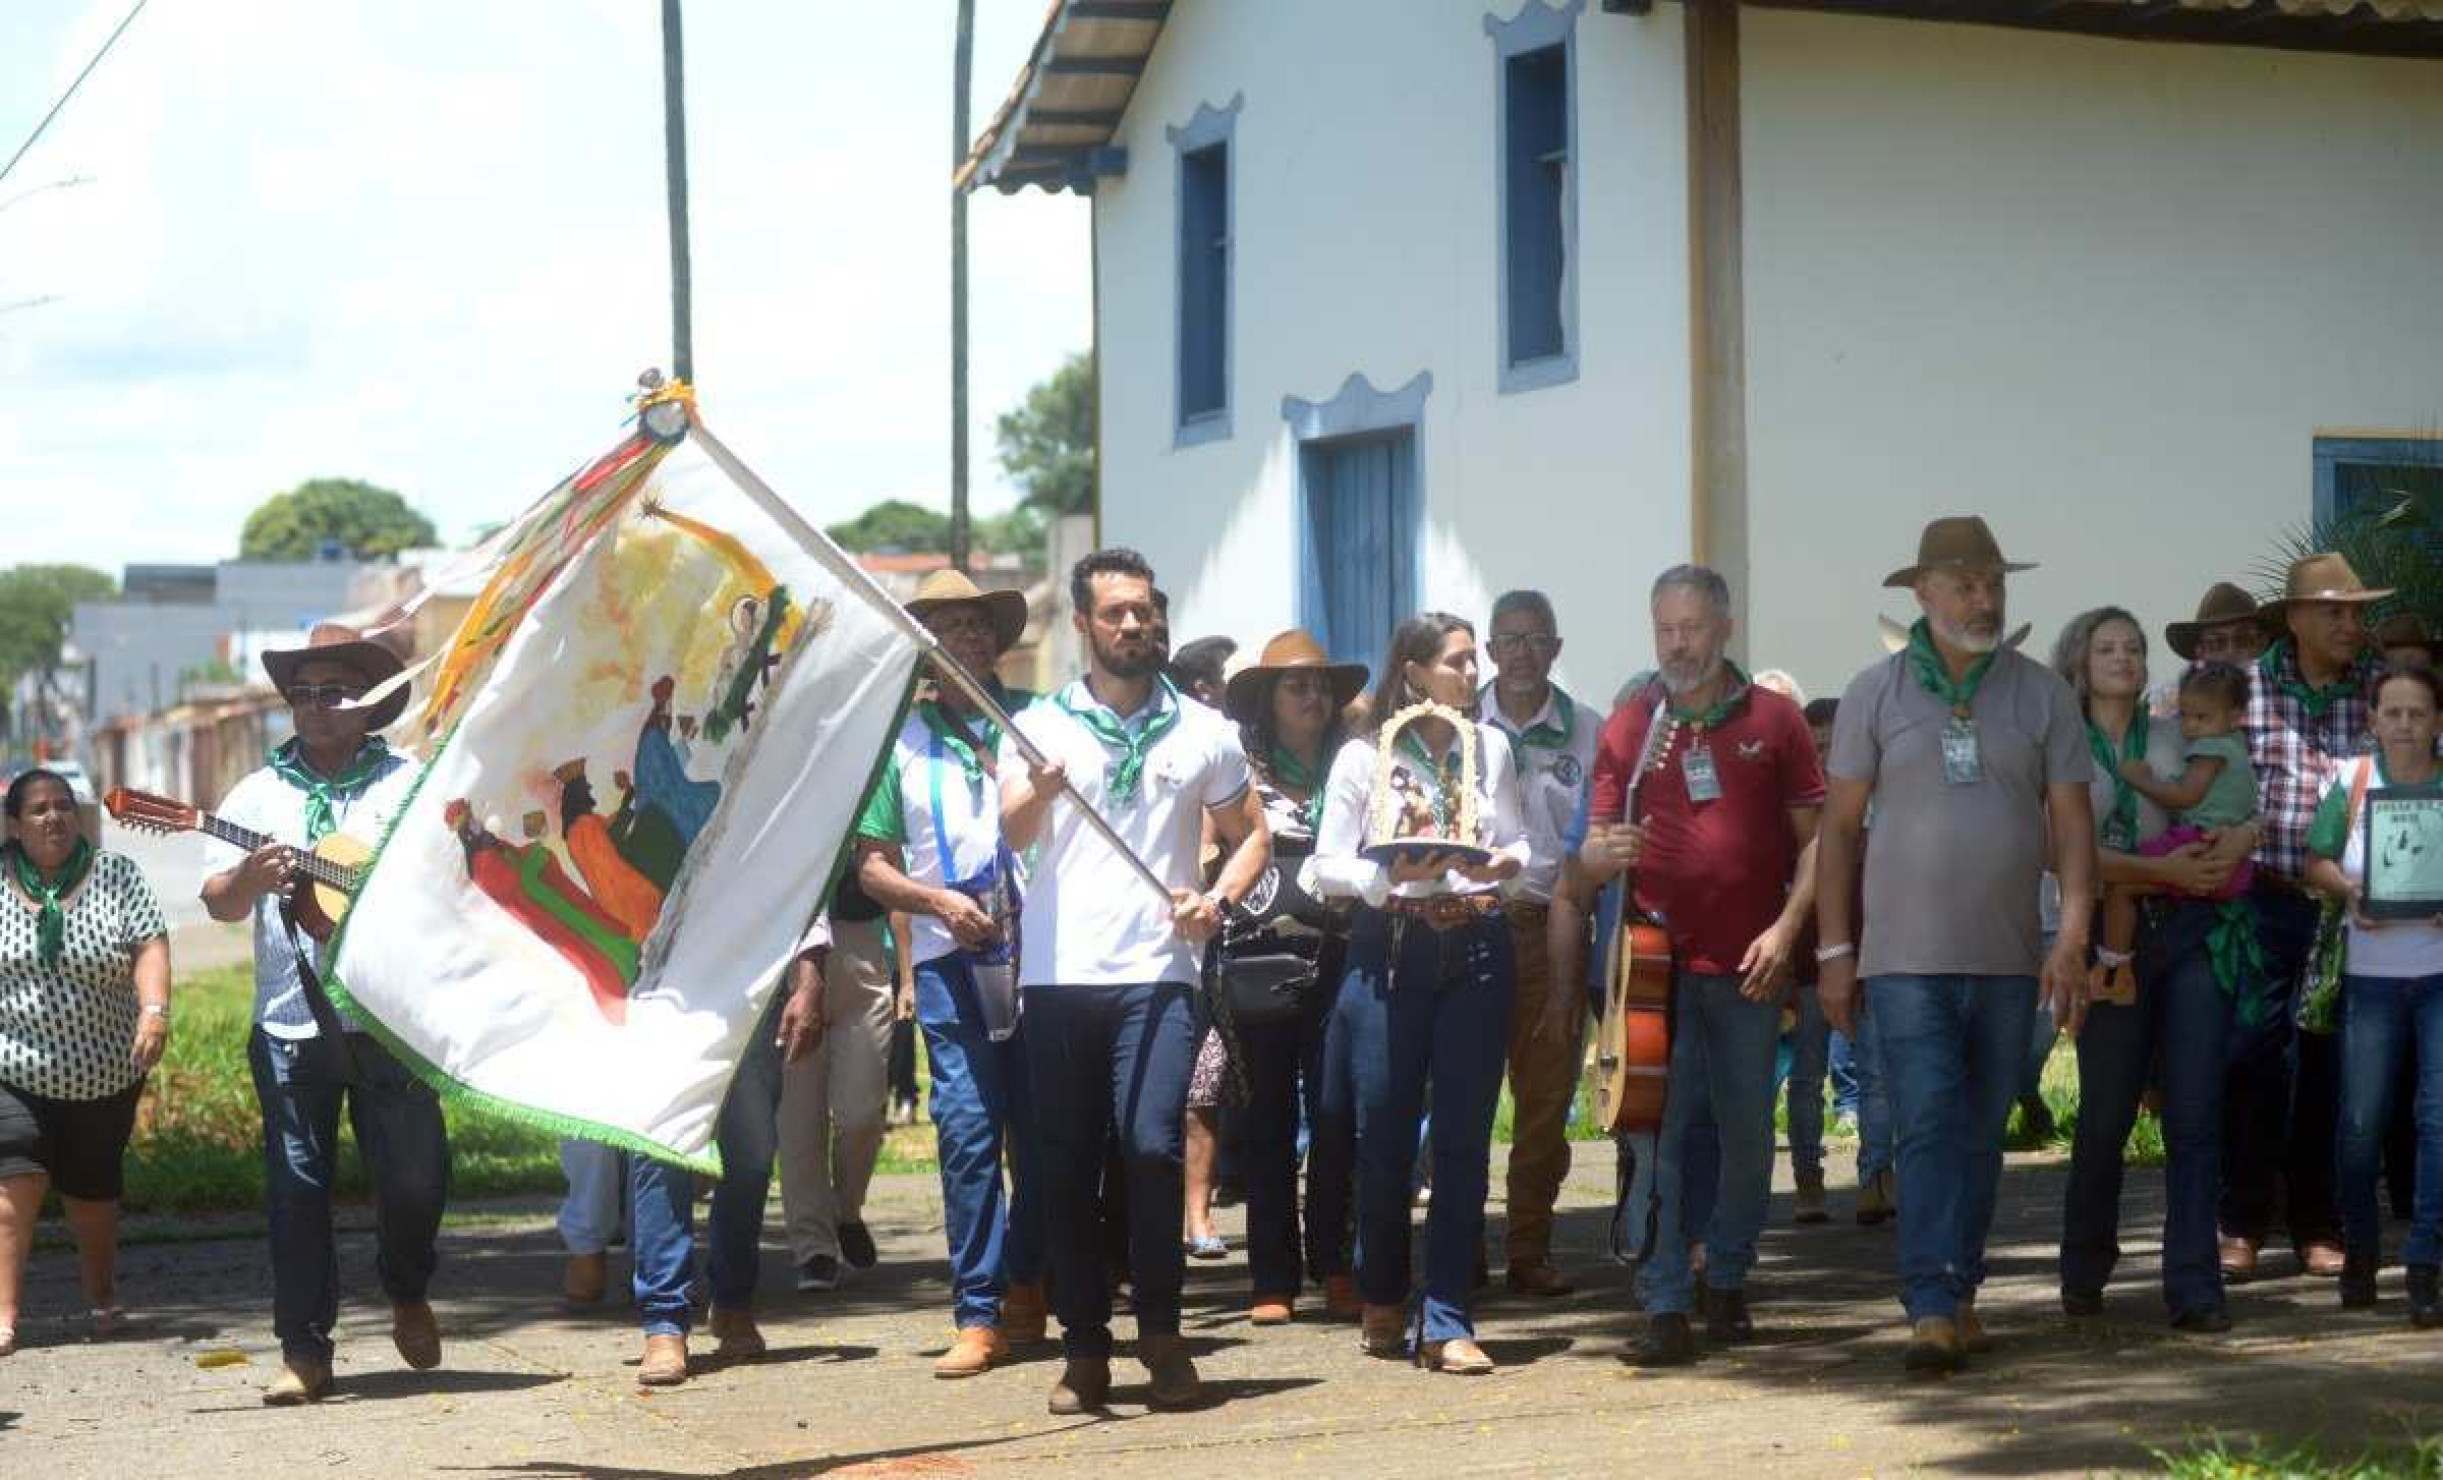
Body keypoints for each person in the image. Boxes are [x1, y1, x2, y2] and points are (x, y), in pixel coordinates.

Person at [1816, 517, 2095, 1375]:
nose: (1983, 597)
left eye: (1992, 583)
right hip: (1902, 960)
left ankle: (1961, 1289)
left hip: (2011, 954)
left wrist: (2074, 931)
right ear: (1921, 594)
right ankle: (1931, 1301)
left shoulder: (2041, 692)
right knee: (1929, 1123)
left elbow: (2073, 824)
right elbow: (1836, 829)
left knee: (1980, 1130)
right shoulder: (1875, 691)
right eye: (1965, 583)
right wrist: (1833, 951)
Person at [1000, 547, 1270, 1414]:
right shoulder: (1039, 724)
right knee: (1067, 1167)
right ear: (1082, 625)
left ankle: (1161, 1331)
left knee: (1152, 1149)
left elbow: (1251, 834)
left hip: (1160, 974)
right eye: (1115, 613)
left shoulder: (1204, 729)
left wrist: (1217, 900)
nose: (1133, 625)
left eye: (1144, 611)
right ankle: (1085, 1349)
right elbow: (1009, 835)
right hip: (1056, 977)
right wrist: (1037, 795)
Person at [1580, 567, 1824, 1363]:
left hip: (1750, 964)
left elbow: (1816, 839)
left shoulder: (1774, 719)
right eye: (1663, 629)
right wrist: (1602, 852)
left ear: (1722, 626)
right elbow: (1587, 853)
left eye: (1689, 627)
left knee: (1749, 1136)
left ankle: (1726, 1274)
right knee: (1656, 1137)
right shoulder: (1630, 725)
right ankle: (1662, 1303)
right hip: (1651, 968)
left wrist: (1788, 932)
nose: (1676, 644)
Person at [200, 622, 445, 1404]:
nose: (316, 706)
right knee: (296, 1188)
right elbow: (218, 903)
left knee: (413, 1179)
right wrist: (247, 877)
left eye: (333, 691)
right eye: (302, 694)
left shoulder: (411, 782)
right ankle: (303, 1351)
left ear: (368, 702)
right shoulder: (256, 794)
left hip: (390, 1015)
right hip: (288, 1020)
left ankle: (406, 1288)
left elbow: (450, 876)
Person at [1307, 611, 1526, 1375]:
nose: (1471, 676)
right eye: (1458, 663)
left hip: (1475, 942)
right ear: (1414, 674)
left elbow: (1525, 842)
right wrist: (1383, 877)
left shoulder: (1489, 746)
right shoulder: (1363, 759)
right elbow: (1322, 866)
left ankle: (1448, 1316)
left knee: (1464, 1140)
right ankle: (1382, 1294)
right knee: (1385, 1140)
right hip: (1389, 948)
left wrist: (1507, 863)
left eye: (1472, 664)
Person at [848, 568, 1048, 1378]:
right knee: (966, 1131)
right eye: (945, 628)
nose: (964, 640)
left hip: (1048, 960)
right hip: (947, 959)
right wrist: (932, 902)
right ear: (925, 649)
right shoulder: (898, 743)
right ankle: (976, 1309)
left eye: (975, 626)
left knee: (1044, 1135)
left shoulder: (1043, 725)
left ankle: (1028, 1279)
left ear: (997, 642)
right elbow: (872, 869)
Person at [2053, 607, 2256, 1332]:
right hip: (2111, 939)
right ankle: (2082, 1271)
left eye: (2133, 648)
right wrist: (2155, 868)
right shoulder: (2061, 742)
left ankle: (2195, 1287)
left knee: (2194, 1113)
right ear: (2077, 661)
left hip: (2189, 930)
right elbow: (2060, 854)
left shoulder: (2177, 734)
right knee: (2104, 1115)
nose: (2122, 657)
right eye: (2106, 646)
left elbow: (2235, 804)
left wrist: (2232, 844)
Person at [2228, 553, 2386, 1281]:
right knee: (2252, 1057)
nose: (2349, 623)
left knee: (2326, 1066)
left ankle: (2316, 1224)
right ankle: (2240, 1219)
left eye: (2355, 611)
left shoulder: (2380, 691)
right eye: (2334, 610)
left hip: (2350, 911)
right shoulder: (2243, 689)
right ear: (2292, 618)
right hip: (2262, 901)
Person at [1218, 628, 1367, 1323]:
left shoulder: (1359, 763)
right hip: (1260, 962)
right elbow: (1207, 847)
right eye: (1294, 683)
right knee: (1266, 1120)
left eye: (1320, 683)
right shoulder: (1238, 769)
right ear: (1266, 698)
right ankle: (1270, 1279)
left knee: (1339, 1114)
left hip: (1346, 957)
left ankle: (1334, 1262)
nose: (1312, 694)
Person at [0, 769, 171, 1356]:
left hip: (105, 1072)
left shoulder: (116, 875)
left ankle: (101, 1294)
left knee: (93, 1191)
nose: (54, 818)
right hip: (13, 1069)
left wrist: (154, 1011)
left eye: (63, 806)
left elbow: (150, 942)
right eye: (39, 810)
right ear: (15, 826)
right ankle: (5, 1316)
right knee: (12, 1176)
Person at [626, 912, 833, 1385]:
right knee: (661, 1153)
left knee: (751, 1157)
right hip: (660, 991)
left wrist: (809, 984)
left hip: (750, 992)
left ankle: (734, 1302)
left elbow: (804, 881)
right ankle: (664, 1322)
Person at [2304, 664, 2443, 1324]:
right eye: (2393, 712)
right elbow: (2315, 859)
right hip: (2368, 980)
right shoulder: (2350, 780)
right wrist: (2349, 892)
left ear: (2438, 721)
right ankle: (2359, 1249)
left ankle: (2423, 1262)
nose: (2405, 725)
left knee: (2437, 1120)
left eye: (2418, 713)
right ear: (2372, 719)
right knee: (2358, 1124)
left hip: (2438, 978)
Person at [1476, 590, 1600, 1296]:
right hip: (1470, 928)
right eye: (1507, 640)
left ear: (1555, 649)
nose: (1521, 653)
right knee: (1461, 1096)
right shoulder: (1458, 725)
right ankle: (1462, 1245)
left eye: (1535, 639)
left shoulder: (1587, 730)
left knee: (1545, 1099)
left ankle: (1528, 1247)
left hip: (1551, 929)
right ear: (1490, 652)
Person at [2090, 662, 2259, 1000]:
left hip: (2197, 845)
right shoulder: (2236, 743)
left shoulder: (2210, 750)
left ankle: (2114, 969)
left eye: (2201, 718)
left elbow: (2186, 795)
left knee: (2119, 886)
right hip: (2223, 857)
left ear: (2234, 715)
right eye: (2184, 716)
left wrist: (2140, 780)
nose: (2190, 726)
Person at [776, 865, 898, 1293]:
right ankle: (813, 1249)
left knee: (861, 1111)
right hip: (788, 946)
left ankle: (847, 1210)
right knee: (799, 1118)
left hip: (861, 945)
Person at [1169, 633, 1241, 1262]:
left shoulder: (1222, 756)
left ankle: (1199, 1213)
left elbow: (1230, 844)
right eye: (1221, 684)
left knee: (1203, 1093)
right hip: (1154, 951)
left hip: (1213, 951)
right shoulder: (1185, 747)